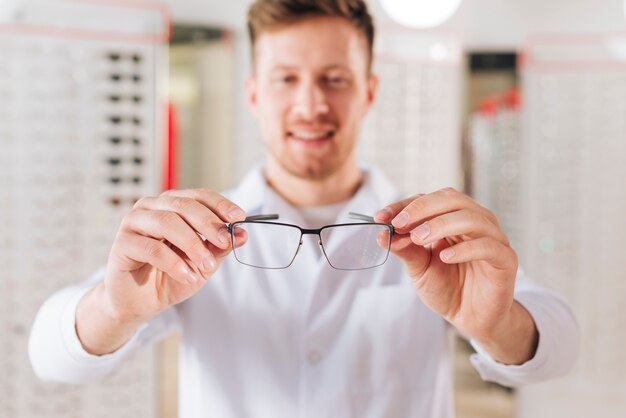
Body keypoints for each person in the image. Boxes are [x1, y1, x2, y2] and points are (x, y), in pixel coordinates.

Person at [29, 0, 579, 416]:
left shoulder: (431, 236)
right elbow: (49, 358)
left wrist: (499, 322)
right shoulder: (193, 236)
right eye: (286, 78)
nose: (311, 104)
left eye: (334, 80)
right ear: (253, 95)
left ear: (367, 92)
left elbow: (559, 348)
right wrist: (115, 308)